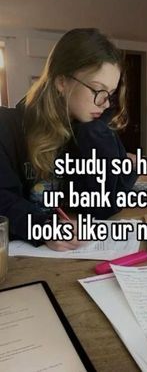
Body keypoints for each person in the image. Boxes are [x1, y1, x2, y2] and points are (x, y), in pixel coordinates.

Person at [0, 28, 138, 251]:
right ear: (61, 81)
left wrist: (96, 134)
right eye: (97, 89)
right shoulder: (7, 127)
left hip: (74, 257)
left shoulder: (89, 130)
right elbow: (2, 199)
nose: (105, 103)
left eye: (110, 93)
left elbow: (106, 207)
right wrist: (42, 225)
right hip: (20, 257)